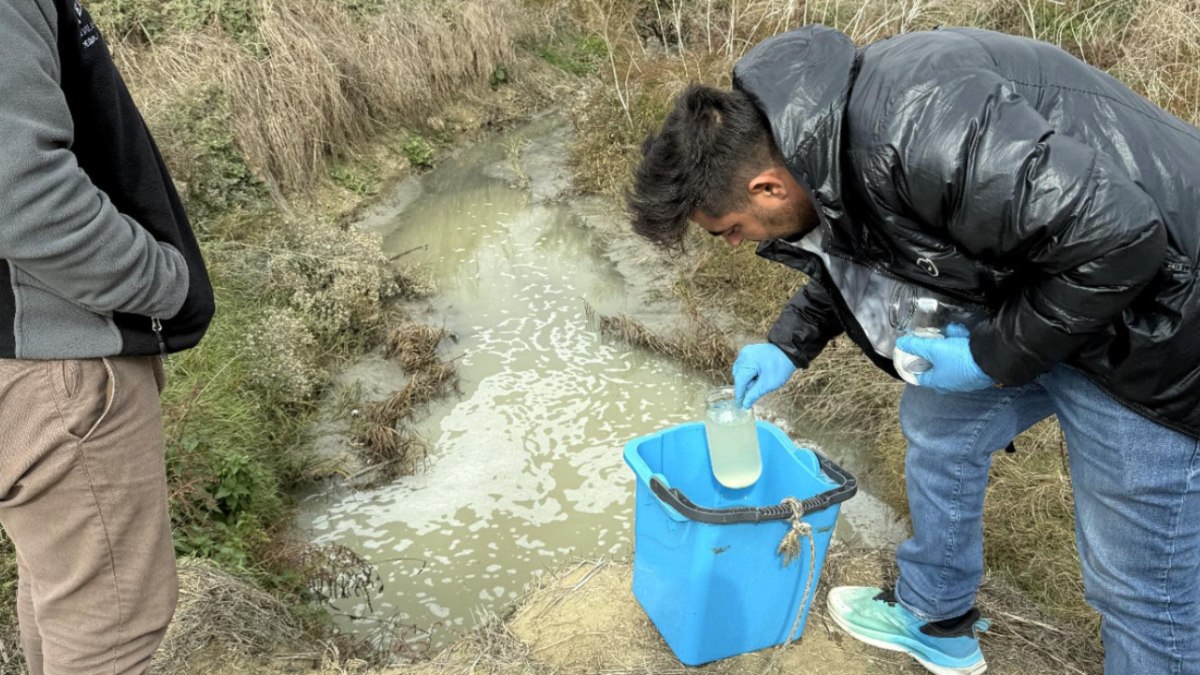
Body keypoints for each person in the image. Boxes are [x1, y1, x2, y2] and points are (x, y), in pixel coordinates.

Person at [628, 24, 1200, 675]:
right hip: (1057, 291)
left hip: (1160, 317)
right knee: (939, 421)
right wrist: (787, 345)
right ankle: (936, 616)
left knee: (1137, 586)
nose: (735, 244)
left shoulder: (919, 130)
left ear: (765, 187)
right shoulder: (819, 141)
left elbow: (1122, 238)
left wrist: (989, 356)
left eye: (729, 230)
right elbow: (856, 245)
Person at [0, 0, 215, 672]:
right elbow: (22, 192)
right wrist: (167, 286)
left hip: (30, 363)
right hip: (57, 364)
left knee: (61, 592)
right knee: (110, 635)